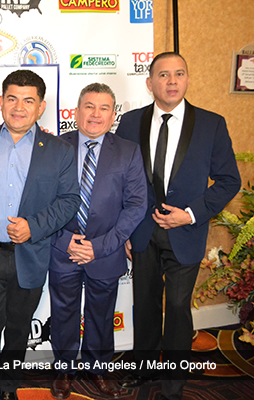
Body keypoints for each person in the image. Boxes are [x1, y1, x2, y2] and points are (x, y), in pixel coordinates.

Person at [116, 52, 241, 400]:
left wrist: (190, 214)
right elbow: (121, 180)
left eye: (179, 74)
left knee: (177, 308)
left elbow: (229, 180)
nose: (172, 81)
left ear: (187, 79)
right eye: (163, 75)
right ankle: (142, 370)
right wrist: (124, 229)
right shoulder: (130, 122)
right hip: (142, 232)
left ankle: (173, 382)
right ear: (149, 82)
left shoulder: (212, 124)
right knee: (144, 305)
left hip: (186, 232)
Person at [0, 70, 80, 400]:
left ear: (41, 106)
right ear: (2, 101)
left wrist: (33, 226)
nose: (19, 107)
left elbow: (69, 201)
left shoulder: (60, 150)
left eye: (28, 100)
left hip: (31, 255)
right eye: (12, 99)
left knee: (19, 328)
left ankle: (8, 386)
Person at [49, 83, 147, 399]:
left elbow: (136, 205)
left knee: (102, 315)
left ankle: (99, 369)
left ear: (113, 115)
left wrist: (101, 246)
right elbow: (41, 200)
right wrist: (65, 240)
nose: (95, 114)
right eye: (89, 106)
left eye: (103, 108)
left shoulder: (128, 151)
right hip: (63, 249)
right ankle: (64, 369)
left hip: (106, 252)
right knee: (63, 313)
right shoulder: (55, 147)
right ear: (77, 111)